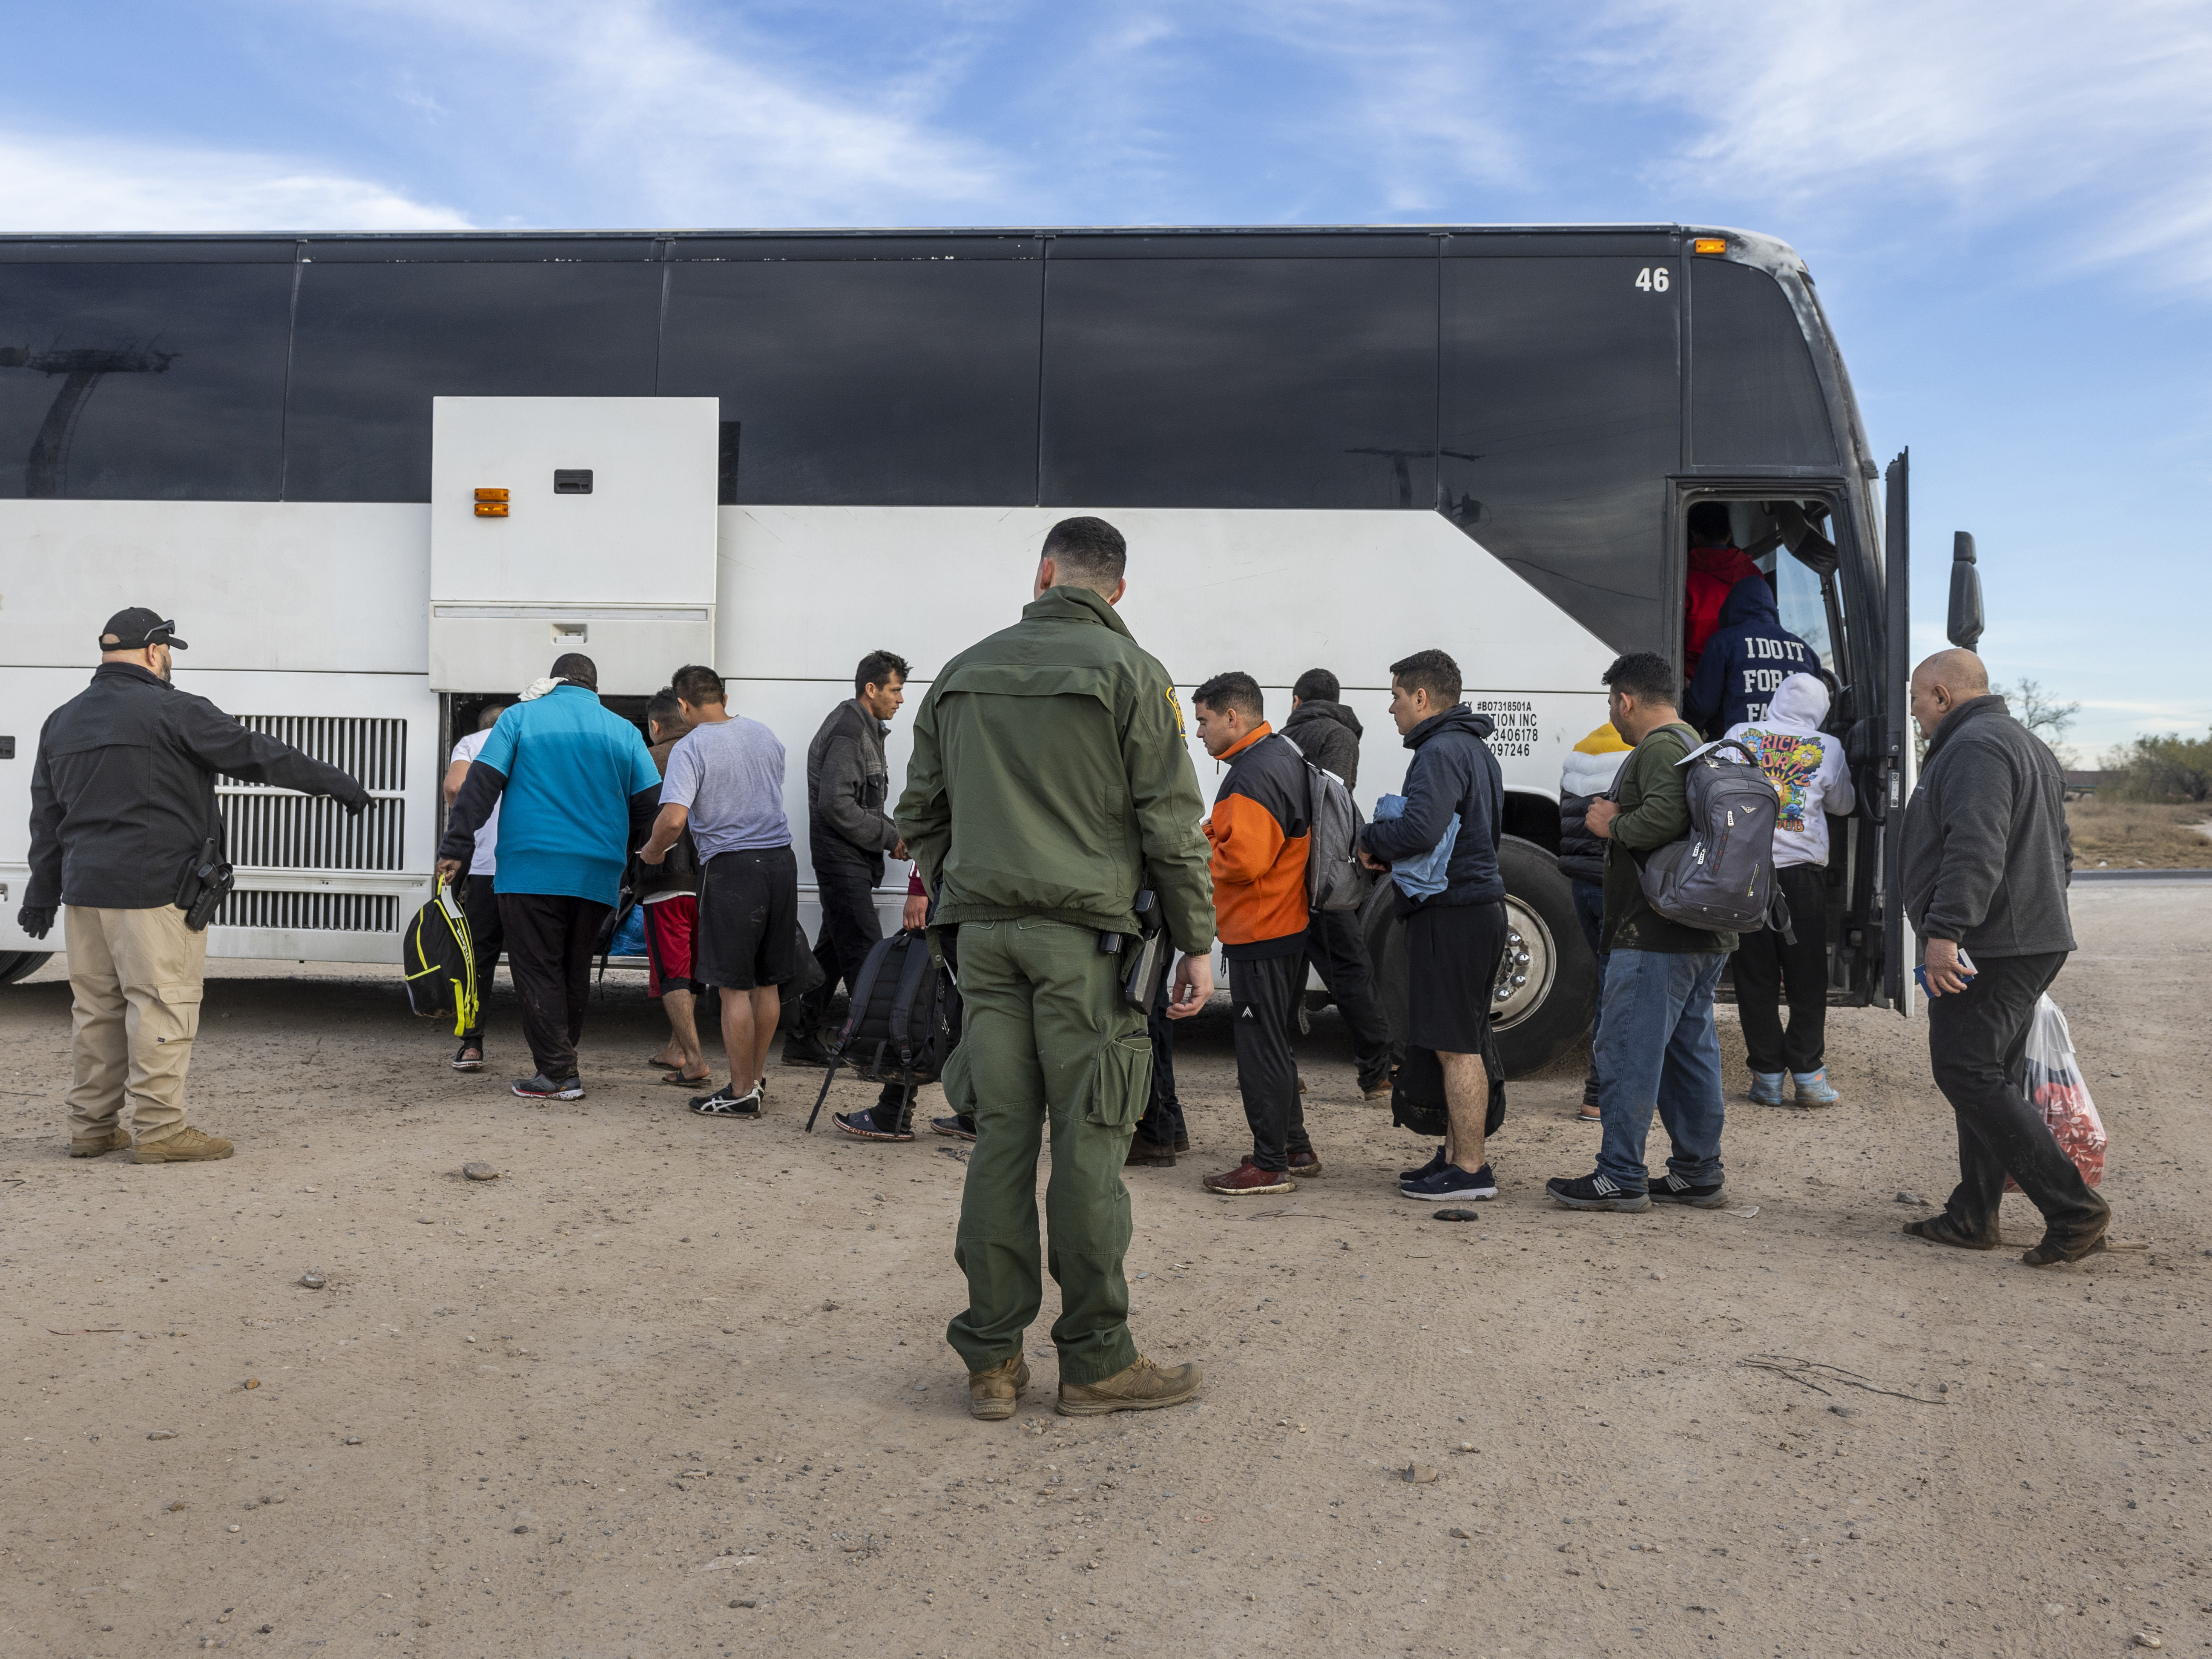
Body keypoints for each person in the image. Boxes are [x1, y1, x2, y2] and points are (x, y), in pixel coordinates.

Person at [896, 515, 1215, 1420]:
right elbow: (1168, 824)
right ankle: (1095, 1361)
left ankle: (992, 1362)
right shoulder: (1132, 673)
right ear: (1116, 590)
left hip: (983, 941)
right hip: (1086, 948)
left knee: (1000, 1138)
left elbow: (917, 809)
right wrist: (1195, 939)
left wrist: (964, 881)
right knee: (1087, 1145)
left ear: (1043, 574)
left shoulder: (960, 671)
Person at [22, 607, 371, 1163]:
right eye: (170, 653)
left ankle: (91, 1127)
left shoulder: (62, 720)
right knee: (162, 1004)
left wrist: (41, 891)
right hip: (152, 890)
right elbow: (259, 755)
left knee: (97, 1012)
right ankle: (161, 1131)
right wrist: (337, 783)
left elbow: (47, 815)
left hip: (84, 893)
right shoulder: (173, 709)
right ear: (157, 651)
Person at [1900, 649, 2109, 1267]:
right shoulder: (2022, 741)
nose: (1914, 715)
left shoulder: (1974, 748)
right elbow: (2061, 851)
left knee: (1965, 1069)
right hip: (2018, 938)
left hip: (1990, 944)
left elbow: (1975, 845)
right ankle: (1972, 1215)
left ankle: (2074, 1209)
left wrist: (1945, 932)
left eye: (1916, 700)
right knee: (1983, 1071)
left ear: (1941, 695)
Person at [1547, 652, 1734, 1213]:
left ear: (1625, 699)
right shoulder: (1694, 740)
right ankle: (1697, 1172)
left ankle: (1619, 1175)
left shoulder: (1655, 746)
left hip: (1655, 933)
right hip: (1700, 933)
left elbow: (1662, 817)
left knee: (1627, 1048)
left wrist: (1612, 824)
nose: (1613, 714)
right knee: (1688, 1052)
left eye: (1612, 703)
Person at [437, 653, 662, 1102]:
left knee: (537, 967)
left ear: (556, 680)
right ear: (594, 687)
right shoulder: (622, 730)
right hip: (597, 870)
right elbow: (651, 801)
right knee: (572, 966)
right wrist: (615, 828)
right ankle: (562, 1057)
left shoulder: (520, 718)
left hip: (530, 867)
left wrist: (456, 848)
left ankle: (558, 1072)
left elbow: (479, 787)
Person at [1353, 650, 1506, 1204]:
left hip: (1453, 913)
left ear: (1421, 697)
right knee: (1455, 1038)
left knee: (1454, 1045)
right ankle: (1452, 1156)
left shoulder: (1439, 751)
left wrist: (1371, 840)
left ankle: (1469, 1168)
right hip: (1472, 908)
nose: (1390, 708)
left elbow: (1420, 829)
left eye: (1395, 696)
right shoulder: (1471, 748)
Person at [639, 664, 796, 1119]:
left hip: (733, 868)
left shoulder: (692, 747)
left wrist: (651, 852)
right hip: (781, 862)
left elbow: (672, 819)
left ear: (683, 705)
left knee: (732, 989)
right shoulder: (765, 734)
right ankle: (756, 1078)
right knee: (766, 983)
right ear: (723, 697)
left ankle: (741, 1090)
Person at [1191, 672, 1319, 1196]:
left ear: (1231, 717)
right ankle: (1294, 1147)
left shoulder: (1249, 774)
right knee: (1275, 1043)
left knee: (1258, 1049)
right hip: (1286, 926)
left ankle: (1269, 1164)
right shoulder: (1279, 755)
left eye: (1202, 721)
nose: (1198, 733)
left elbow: (1242, 860)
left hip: (1258, 933)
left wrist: (1195, 854)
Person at [1724, 672, 1855, 1107]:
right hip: (1801, 876)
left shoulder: (1741, 734)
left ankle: (1765, 1078)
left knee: (1754, 975)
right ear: (1820, 709)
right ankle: (1808, 1076)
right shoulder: (1828, 747)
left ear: (1777, 700)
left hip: (1746, 871)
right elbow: (1843, 805)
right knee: (1806, 977)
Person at [1281, 667, 1394, 1100]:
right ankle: (1376, 1073)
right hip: (1318, 879)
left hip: (1285, 873)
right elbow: (1334, 808)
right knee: (1351, 970)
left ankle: (1278, 1070)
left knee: (1285, 977)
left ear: (1297, 701)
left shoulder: (1282, 740)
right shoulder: (1339, 737)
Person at [1558, 720, 1632, 1124]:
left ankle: (1602, 1090)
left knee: (1609, 979)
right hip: (1613, 884)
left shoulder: (1582, 749)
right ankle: (1598, 1093)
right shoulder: (1637, 752)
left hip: (1581, 886)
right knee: (1616, 988)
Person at [641, 688, 707, 1087]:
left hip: (666, 882)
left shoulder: (648, 761)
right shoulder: (706, 753)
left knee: (672, 975)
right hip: (708, 882)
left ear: (654, 725)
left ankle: (694, 1060)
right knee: (692, 969)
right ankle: (676, 1047)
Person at [442, 700, 509, 1072]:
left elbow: (454, 786)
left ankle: (472, 1044)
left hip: (485, 867)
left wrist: (467, 831)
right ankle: (549, 1052)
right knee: (537, 960)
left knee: (479, 958)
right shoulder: (526, 741)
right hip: (526, 867)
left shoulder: (471, 743)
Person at [1683, 572, 1815, 736]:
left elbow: (1703, 707)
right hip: (1796, 752)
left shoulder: (1723, 642)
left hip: (1737, 752)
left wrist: (1687, 693)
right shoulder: (1805, 650)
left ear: (1731, 607)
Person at [1681, 503, 1764, 685]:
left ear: (1694, 536)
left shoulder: (1682, 573)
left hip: (1696, 678)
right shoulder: (1753, 573)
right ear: (1728, 536)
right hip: (1745, 674)